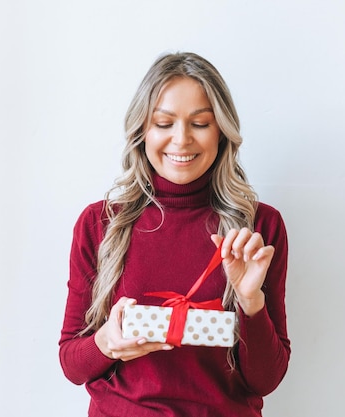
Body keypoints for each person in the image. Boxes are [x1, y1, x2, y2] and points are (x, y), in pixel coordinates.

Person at [59, 52, 290, 417]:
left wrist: (251, 301)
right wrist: (105, 343)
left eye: (200, 123)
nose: (181, 140)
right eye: (164, 123)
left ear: (222, 132)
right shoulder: (100, 223)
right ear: (142, 131)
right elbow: (72, 364)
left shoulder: (258, 229)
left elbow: (266, 379)